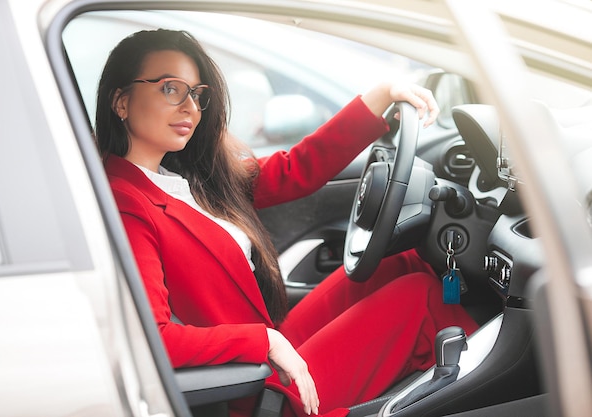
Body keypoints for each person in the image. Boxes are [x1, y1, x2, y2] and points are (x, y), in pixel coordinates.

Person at [95, 29, 478, 417]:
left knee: (400, 263)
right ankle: (517, 385)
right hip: (253, 387)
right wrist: (264, 341)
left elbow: (296, 170)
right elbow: (153, 339)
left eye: (197, 94)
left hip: (267, 349)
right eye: (170, 89)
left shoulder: (184, 178)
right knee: (422, 300)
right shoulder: (125, 202)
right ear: (121, 102)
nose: (190, 108)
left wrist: (380, 96)